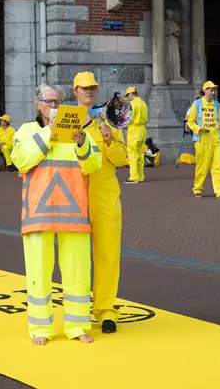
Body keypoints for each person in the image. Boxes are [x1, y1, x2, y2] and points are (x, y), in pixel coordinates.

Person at [10, 84, 102, 345]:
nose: (54, 107)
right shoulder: (27, 131)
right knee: (38, 272)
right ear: (38, 104)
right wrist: (49, 133)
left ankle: (78, 325)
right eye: (50, 102)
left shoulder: (78, 131)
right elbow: (21, 159)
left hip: (74, 213)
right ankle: (41, 328)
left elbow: (94, 164)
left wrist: (84, 145)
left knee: (78, 272)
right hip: (38, 213)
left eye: (59, 102)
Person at [73, 71, 128, 334]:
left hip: (105, 195)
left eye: (93, 88)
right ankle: (80, 307)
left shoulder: (109, 118)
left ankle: (106, 310)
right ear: (75, 91)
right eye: (84, 88)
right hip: (75, 196)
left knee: (107, 254)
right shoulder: (67, 119)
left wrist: (108, 140)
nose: (89, 92)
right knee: (78, 257)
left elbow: (120, 159)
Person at [187, 81, 220, 200]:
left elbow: (217, 122)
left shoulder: (217, 105)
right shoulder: (197, 104)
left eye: (214, 90)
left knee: (219, 166)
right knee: (202, 166)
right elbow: (190, 121)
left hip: (216, 138)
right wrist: (199, 129)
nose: (213, 92)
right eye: (211, 90)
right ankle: (198, 189)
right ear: (205, 91)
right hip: (202, 139)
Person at [124, 87, 148, 184]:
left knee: (133, 154)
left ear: (130, 94)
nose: (128, 98)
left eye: (128, 95)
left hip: (134, 129)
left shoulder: (132, 104)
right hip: (142, 129)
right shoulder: (143, 103)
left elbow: (127, 118)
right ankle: (140, 176)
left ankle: (133, 177)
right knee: (140, 154)